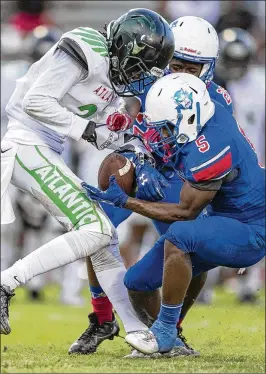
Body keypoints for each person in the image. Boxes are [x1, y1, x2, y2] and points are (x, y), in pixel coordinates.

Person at [0, 8, 175, 339]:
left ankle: (134, 329)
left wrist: (128, 139)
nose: (139, 75)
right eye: (139, 64)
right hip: (25, 143)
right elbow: (36, 102)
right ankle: (7, 281)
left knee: (103, 236)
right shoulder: (88, 45)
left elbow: (106, 125)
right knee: (95, 228)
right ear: (125, 47)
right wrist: (90, 131)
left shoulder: (108, 73)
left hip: (46, 149)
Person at [69, 16, 234, 357]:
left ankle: (170, 329)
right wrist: (138, 156)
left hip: (180, 181)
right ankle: (102, 317)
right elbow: (114, 121)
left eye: (192, 67)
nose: (181, 74)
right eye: (175, 64)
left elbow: (222, 160)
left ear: (209, 67)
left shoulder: (217, 102)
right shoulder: (146, 80)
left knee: (192, 249)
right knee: (95, 227)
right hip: (142, 169)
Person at [82, 72, 265, 355]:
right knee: (136, 283)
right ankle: (171, 346)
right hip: (223, 218)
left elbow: (184, 212)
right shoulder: (202, 114)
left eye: (165, 128)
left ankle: (166, 331)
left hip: (251, 228)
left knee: (180, 235)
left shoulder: (213, 145)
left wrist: (126, 201)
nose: (161, 136)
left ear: (189, 118)